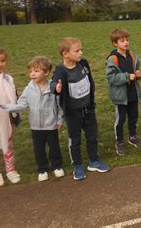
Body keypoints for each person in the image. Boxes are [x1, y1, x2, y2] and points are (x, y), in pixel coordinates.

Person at [51, 38, 110, 180]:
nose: (81, 53)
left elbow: (90, 80)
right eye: (77, 51)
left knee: (92, 136)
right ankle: (77, 165)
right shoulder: (61, 70)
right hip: (72, 113)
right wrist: (56, 88)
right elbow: (53, 83)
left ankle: (94, 161)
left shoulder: (83, 64)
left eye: (81, 50)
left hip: (88, 109)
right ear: (65, 53)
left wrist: (91, 99)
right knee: (75, 139)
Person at [0, 57, 64, 182]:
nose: (32, 74)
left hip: (51, 125)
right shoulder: (28, 89)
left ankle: (57, 166)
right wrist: (9, 107)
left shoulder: (53, 88)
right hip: (36, 126)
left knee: (54, 147)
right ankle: (42, 169)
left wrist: (60, 120)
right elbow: (22, 104)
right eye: (30, 71)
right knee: (39, 149)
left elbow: (59, 105)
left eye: (36, 71)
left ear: (46, 72)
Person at [106, 28, 141, 156]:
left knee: (133, 116)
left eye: (127, 40)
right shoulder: (113, 59)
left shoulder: (133, 56)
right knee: (120, 119)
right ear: (115, 43)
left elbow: (138, 70)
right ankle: (120, 141)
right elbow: (111, 78)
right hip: (121, 96)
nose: (126, 42)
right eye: (122, 41)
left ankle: (133, 136)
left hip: (133, 93)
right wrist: (127, 77)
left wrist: (139, 74)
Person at [0, 46, 21, 186]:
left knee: (8, 144)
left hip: (6, 119)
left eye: (2, 61)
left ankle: (10, 170)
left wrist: (15, 114)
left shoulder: (8, 79)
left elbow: (13, 97)